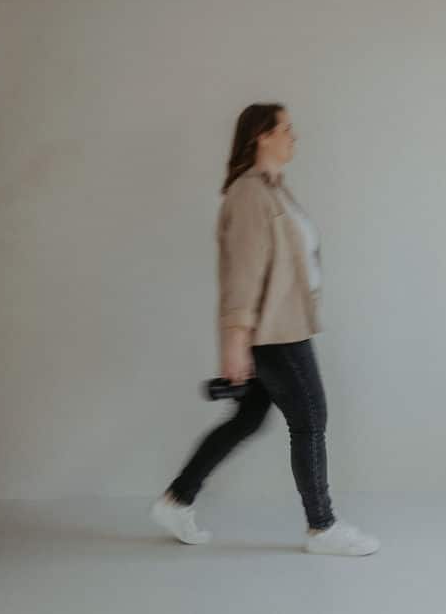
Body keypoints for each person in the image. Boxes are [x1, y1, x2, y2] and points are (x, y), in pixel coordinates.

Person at [150, 103, 379, 557]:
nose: (295, 136)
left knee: (248, 419)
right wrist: (236, 342)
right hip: (276, 331)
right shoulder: (248, 195)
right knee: (310, 420)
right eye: (287, 129)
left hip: (286, 324)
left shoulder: (276, 191)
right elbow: (243, 275)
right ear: (262, 135)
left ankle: (177, 500)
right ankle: (322, 527)